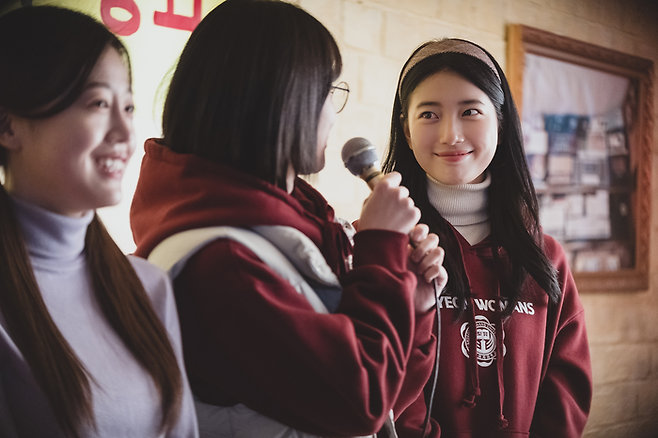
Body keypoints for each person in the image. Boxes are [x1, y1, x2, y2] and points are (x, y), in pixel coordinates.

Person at [129, 0, 447, 436]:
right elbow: (360, 404)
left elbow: (390, 399)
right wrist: (381, 248)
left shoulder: (293, 224)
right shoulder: (223, 263)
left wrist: (410, 300)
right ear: (281, 99)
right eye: (327, 93)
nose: (333, 114)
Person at [0, 6, 197, 438]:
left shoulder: (147, 287)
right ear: (9, 126)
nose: (126, 135)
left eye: (127, 107)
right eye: (99, 103)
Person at [382, 38, 592, 437]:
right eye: (428, 114)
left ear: (501, 122)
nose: (450, 135)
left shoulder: (545, 256)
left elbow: (566, 393)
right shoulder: (380, 244)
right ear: (406, 132)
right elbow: (376, 382)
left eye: (470, 111)